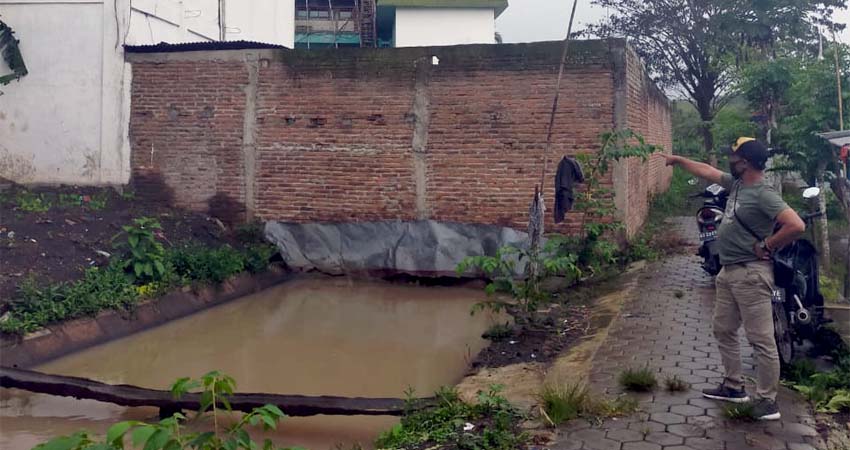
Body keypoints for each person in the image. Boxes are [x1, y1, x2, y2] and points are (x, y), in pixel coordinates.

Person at [658, 137, 806, 421]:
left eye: (735, 157)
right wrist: (678, 160)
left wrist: (767, 245)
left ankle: (767, 401)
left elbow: (795, 224)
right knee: (723, 328)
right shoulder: (737, 184)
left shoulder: (764, 193)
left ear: (746, 162)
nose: (730, 160)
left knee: (761, 339)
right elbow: (707, 172)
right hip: (729, 272)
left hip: (751, 273)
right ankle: (733, 386)